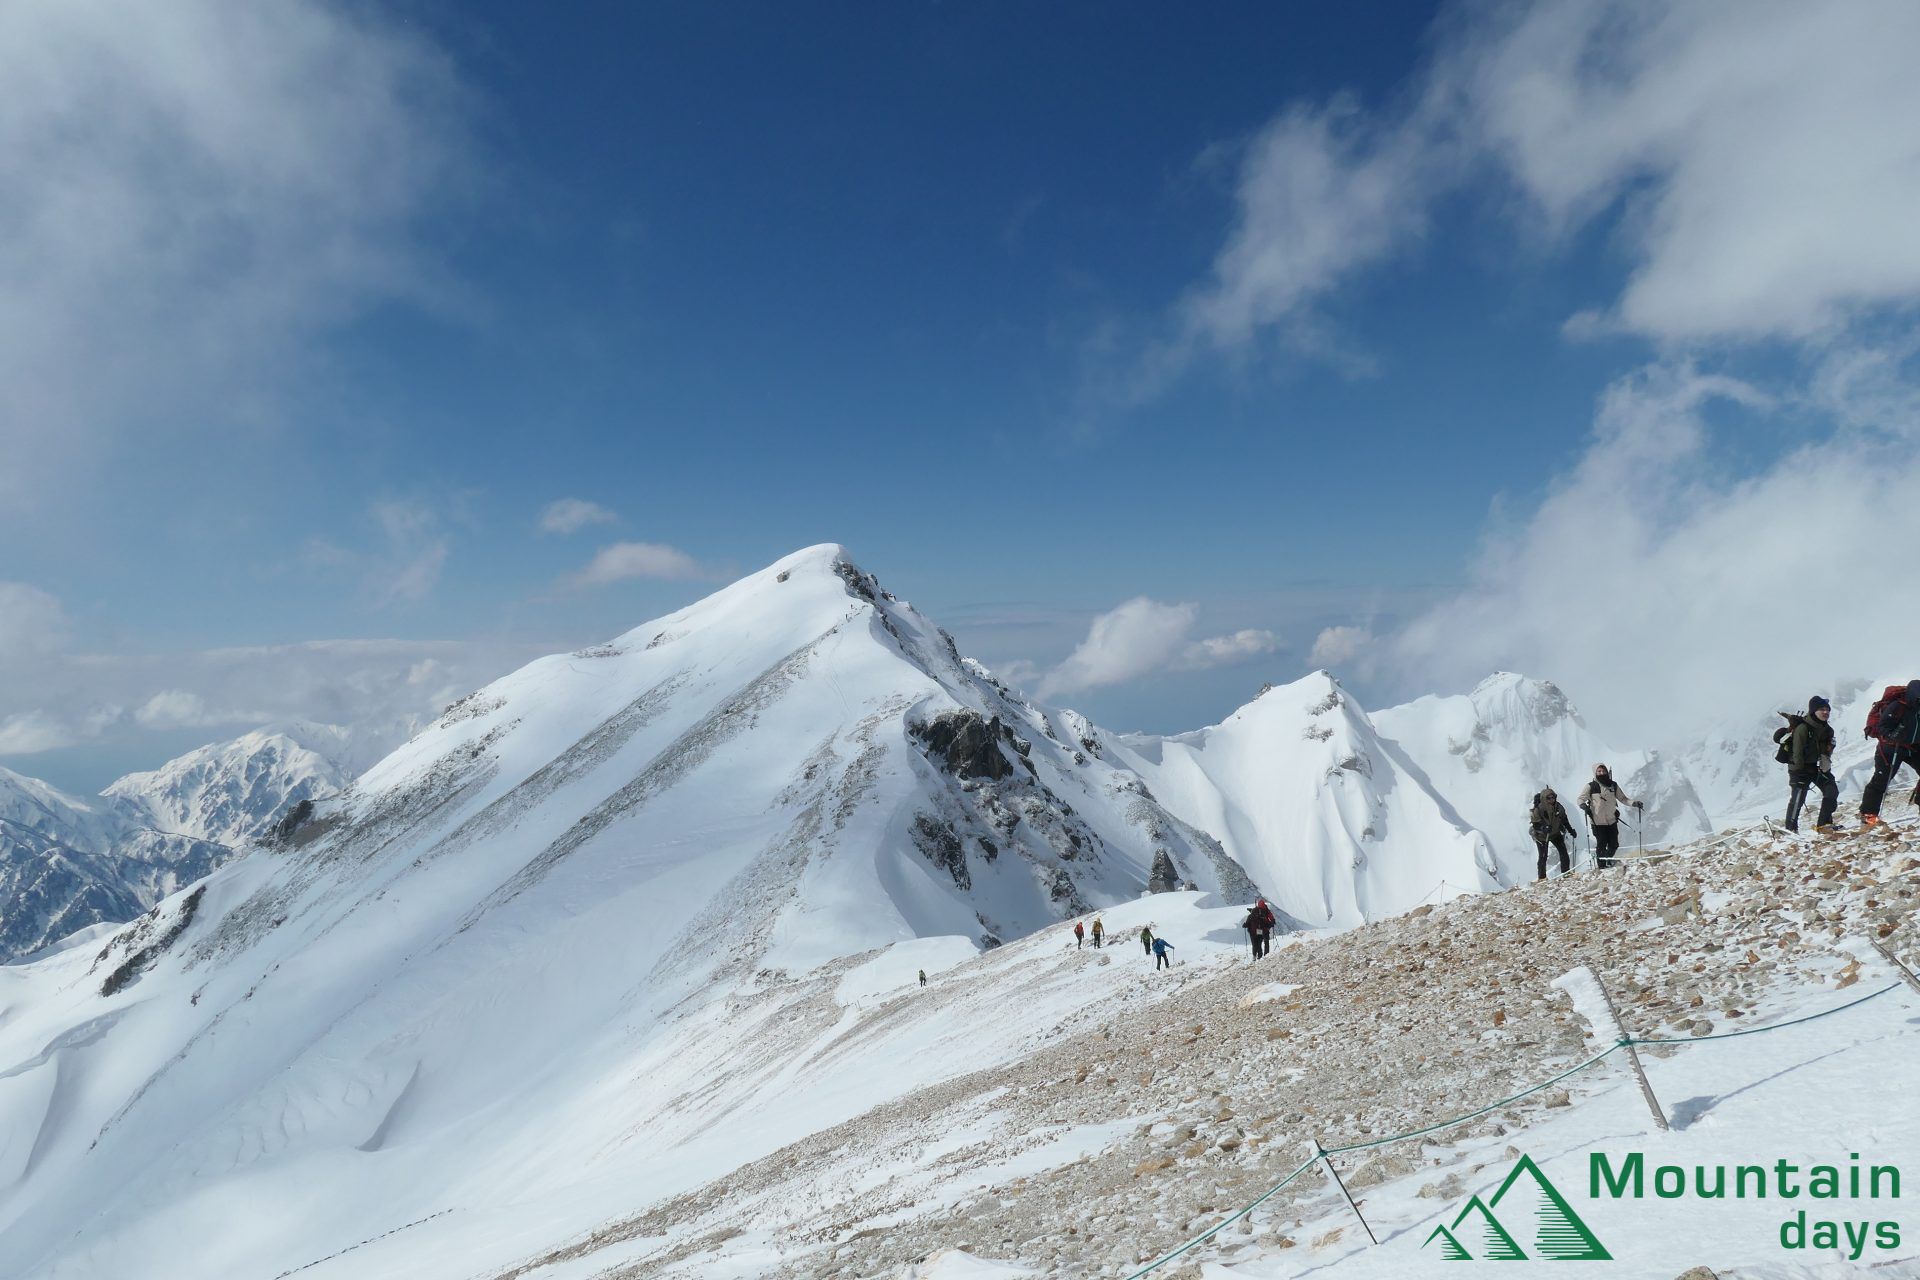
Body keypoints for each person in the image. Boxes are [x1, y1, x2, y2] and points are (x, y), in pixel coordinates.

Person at [1861, 679, 1920, 828]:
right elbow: (1882, 727)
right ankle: (1869, 815)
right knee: (1882, 779)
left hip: (1912, 746)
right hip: (1890, 748)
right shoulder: (1897, 706)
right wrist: (1893, 736)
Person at [1783, 695, 1841, 834]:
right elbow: (1797, 752)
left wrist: (1825, 763)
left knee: (1831, 790)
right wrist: (1799, 771)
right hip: (1799, 768)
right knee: (1798, 797)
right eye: (1822, 709)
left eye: (1827, 710)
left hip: (1815, 767)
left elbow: (1826, 750)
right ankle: (1790, 829)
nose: (1826, 712)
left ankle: (1824, 824)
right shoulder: (1803, 728)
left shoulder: (1828, 730)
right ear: (1813, 711)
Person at [1578, 764, 1642, 870]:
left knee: (1614, 844)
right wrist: (1583, 805)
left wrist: (1634, 803)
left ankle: (1607, 860)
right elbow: (1580, 798)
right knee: (1601, 844)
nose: (1602, 773)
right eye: (1599, 771)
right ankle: (1602, 867)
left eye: (1603, 771)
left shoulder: (1613, 785)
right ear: (1595, 773)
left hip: (1612, 820)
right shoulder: (1591, 786)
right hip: (1597, 822)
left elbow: (1623, 798)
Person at [1528, 786, 1575, 880]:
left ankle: (1566, 873)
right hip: (1541, 837)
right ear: (1544, 798)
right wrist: (1543, 828)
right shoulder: (1539, 809)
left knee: (1563, 853)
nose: (1551, 799)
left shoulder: (1559, 807)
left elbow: (1564, 820)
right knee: (1543, 856)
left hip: (1555, 833)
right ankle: (1542, 878)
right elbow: (1535, 824)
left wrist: (1570, 830)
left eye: (1553, 797)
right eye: (1548, 798)